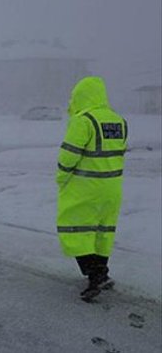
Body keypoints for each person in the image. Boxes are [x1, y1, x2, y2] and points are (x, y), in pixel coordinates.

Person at [56, 76, 127, 302]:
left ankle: (94, 275)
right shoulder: (118, 120)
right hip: (112, 188)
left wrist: (61, 178)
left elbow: (69, 155)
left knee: (74, 230)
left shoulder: (83, 121)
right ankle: (102, 272)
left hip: (86, 187)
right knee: (102, 231)